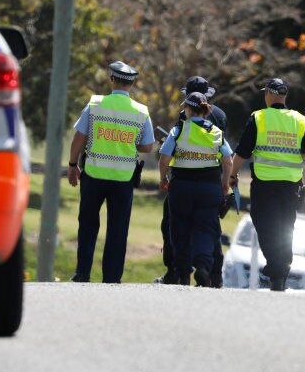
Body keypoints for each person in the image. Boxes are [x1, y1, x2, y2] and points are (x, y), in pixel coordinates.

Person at [67, 61, 155, 283]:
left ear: (112, 79)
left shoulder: (95, 105)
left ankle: (83, 273)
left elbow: (79, 137)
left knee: (87, 225)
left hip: (94, 175)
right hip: (123, 179)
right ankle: (112, 278)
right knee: (118, 230)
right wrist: (127, 142)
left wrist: (71, 165)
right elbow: (147, 147)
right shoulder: (141, 112)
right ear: (133, 83)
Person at [229, 78, 305, 292]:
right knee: (286, 226)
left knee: (266, 226)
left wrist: (231, 174)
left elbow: (242, 152)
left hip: (265, 183)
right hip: (290, 185)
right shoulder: (299, 120)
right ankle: (282, 267)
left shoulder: (258, 118)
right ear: (284, 96)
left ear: (268, 94)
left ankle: (277, 268)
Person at [158, 76, 229, 286]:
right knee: (209, 229)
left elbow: (168, 153)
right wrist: (226, 182)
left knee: (176, 226)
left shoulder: (183, 121)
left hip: (182, 182)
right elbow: (227, 157)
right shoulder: (220, 117)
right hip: (210, 183)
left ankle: (178, 272)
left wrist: (163, 177)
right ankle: (210, 271)